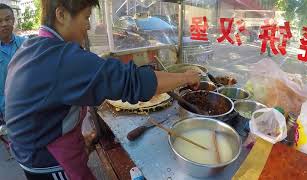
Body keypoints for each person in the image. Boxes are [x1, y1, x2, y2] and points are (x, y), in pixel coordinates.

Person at [4, 0, 200, 180]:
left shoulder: (34, 45)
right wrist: (186, 77)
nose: (89, 25)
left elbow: (49, 107)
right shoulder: (59, 58)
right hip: (46, 159)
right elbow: (132, 82)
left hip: (39, 144)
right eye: (86, 17)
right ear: (61, 15)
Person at [0, 4, 26, 125]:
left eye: (7, 19)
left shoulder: (26, 45)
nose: (4, 23)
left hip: (25, 108)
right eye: (0, 21)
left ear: (13, 20)